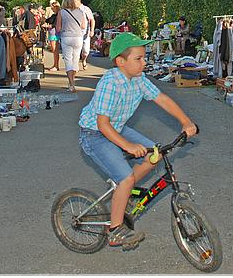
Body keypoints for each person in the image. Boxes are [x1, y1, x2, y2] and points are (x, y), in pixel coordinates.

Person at [78, 32, 197, 248]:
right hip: (94, 133)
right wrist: (129, 146)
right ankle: (115, 230)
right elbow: (103, 125)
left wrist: (186, 122)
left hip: (118, 128)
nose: (145, 62)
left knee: (155, 156)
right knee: (125, 178)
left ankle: (124, 192)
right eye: (139, 59)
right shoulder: (109, 83)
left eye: (145, 57)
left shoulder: (139, 79)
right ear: (120, 62)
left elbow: (162, 99)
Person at [56, 0, 86, 92]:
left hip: (66, 37)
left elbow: (58, 28)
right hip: (78, 37)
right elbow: (83, 26)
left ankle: (71, 84)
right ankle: (72, 81)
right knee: (75, 60)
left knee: (68, 60)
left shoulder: (61, 12)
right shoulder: (81, 12)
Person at [74, 0, 95, 71]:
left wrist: (92, 30)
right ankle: (76, 65)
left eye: (74, 1)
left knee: (86, 51)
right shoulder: (72, 10)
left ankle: (84, 59)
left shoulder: (86, 9)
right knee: (76, 50)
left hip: (85, 33)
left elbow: (92, 20)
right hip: (75, 33)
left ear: (79, 1)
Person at [45, 1, 61, 71]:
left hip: (55, 33)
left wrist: (48, 26)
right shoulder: (55, 15)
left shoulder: (58, 15)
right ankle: (55, 64)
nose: (51, 9)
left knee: (55, 50)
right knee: (54, 50)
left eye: (52, 7)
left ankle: (56, 65)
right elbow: (48, 20)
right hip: (53, 33)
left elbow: (54, 24)